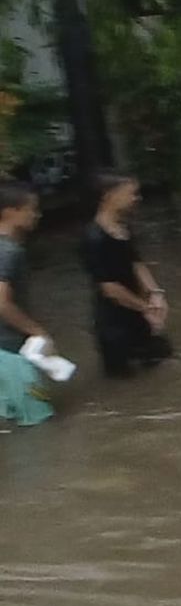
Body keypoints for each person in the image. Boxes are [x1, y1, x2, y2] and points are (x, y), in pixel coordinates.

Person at [82, 173, 172, 378]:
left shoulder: (123, 227)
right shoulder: (93, 238)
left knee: (163, 362)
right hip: (114, 325)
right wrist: (146, 309)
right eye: (131, 194)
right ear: (108, 196)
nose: (136, 198)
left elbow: (135, 262)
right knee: (122, 380)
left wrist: (155, 293)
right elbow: (109, 288)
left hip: (138, 312)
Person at [0, 182, 54, 426]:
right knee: (39, 424)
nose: (37, 214)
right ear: (10, 212)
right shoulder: (9, 251)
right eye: (31, 209)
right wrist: (38, 331)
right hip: (11, 352)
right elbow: (1, 302)